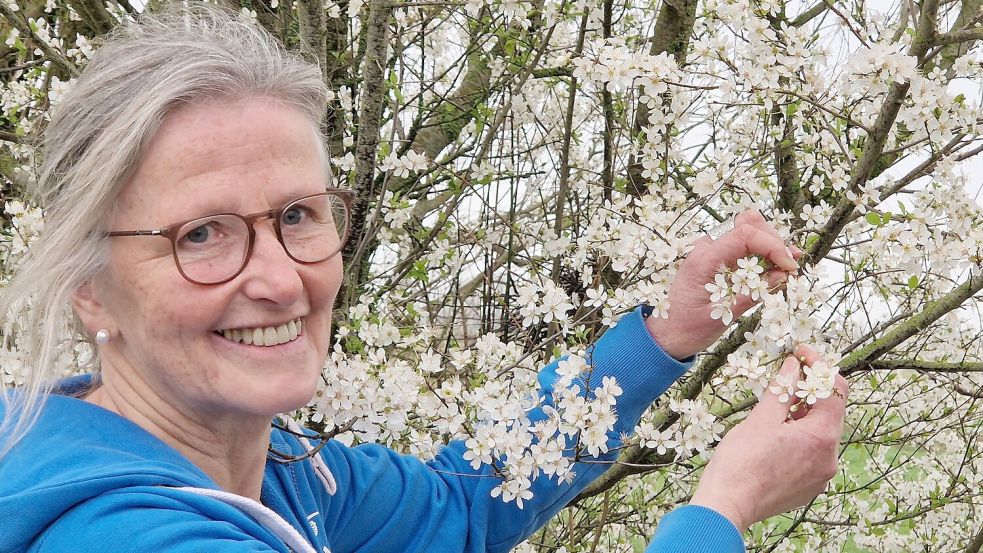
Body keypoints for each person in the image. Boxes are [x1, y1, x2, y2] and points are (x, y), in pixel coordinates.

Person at [0, 5, 848, 552]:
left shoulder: (281, 473)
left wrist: (662, 331)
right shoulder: (128, 534)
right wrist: (718, 511)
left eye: (298, 214)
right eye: (202, 234)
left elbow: (464, 502)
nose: (279, 279)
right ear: (89, 286)